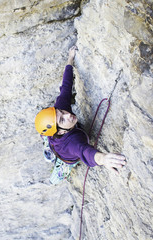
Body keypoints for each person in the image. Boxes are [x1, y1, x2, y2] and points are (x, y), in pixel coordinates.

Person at [35, 46, 126, 184]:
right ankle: (54, 172)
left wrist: (70, 58)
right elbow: (84, 152)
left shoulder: (60, 111)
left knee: (49, 136)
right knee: (58, 174)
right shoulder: (71, 144)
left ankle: (48, 143)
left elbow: (66, 86)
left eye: (62, 112)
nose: (68, 115)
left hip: (54, 136)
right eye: (62, 119)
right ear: (60, 130)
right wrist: (104, 159)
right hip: (66, 156)